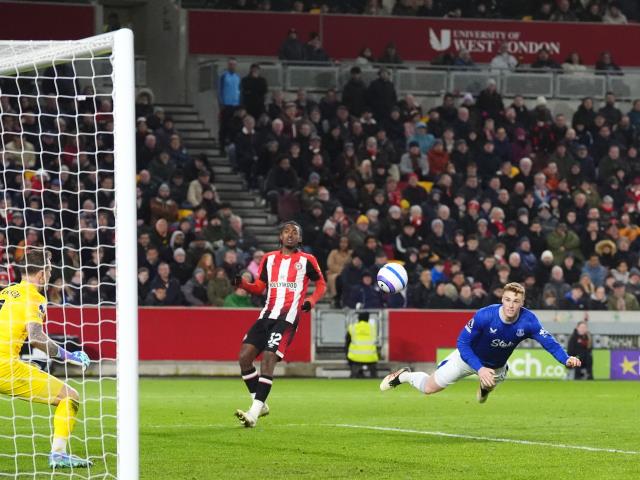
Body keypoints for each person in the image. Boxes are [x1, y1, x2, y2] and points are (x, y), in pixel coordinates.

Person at [380, 282, 581, 403]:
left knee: (488, 387)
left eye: (516, 301)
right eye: (508, 300)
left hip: (496, 367)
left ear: (522, 303)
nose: (511, 305)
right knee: (429, 388)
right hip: (467, 359)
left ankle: (485, 387)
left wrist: (565, 359)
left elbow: (549, 342)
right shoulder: (485, 315)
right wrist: (480, 368)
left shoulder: (529, 321)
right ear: (502, 299)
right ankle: (404, 376)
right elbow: (462, 343)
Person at [0, 250, 92, 468]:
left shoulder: (6, 292)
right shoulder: (35, 297)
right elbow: (36, 337)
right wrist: (69, 356)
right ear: (42, 273)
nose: (50, 274)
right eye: (50, 270)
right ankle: (58, 455)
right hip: (4, 366)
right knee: (70, 396)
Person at [234, 221, 326, 428]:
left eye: (295, 232)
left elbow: (321, 284)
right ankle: (260, 404)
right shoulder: (268, 259)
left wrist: (311, 300)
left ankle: (253, 413)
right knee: (244, 358)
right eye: (286, 231)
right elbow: (259, 287)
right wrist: (243, 285)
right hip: (266, 316)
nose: (290, 235)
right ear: (280, 237)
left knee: (268, 358)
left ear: (300, 238)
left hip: (287, 318)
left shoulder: (307, 260)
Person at [346, 310, 379, 378]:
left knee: (349, 355)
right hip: (371, 357)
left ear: (358, 318)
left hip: (355, 357)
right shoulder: (373, 328)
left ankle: (354, 375)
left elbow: (347, 342)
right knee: (374, 362)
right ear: (368, 319)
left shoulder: (352, 327)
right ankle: (374, 376)